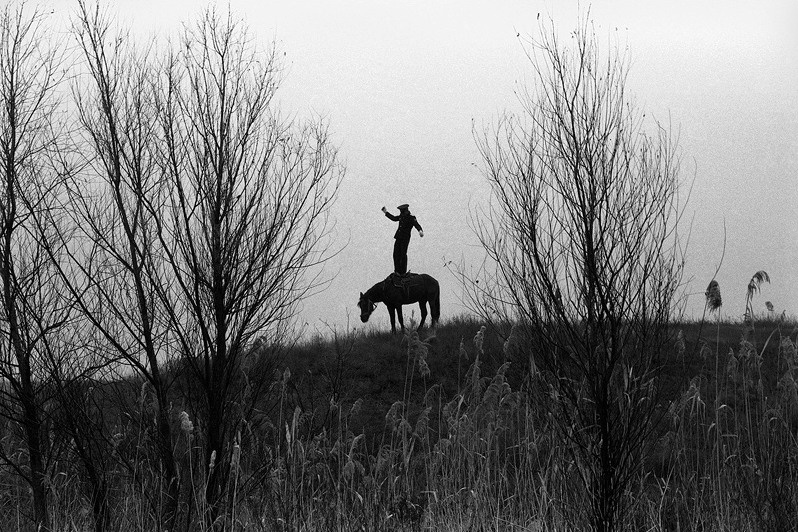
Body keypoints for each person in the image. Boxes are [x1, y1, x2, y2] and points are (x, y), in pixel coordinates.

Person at [381, 203, 423, 275]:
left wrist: (420, 230)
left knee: (403, 254)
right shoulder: (401, 216)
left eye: (401, 211)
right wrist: (386, 212)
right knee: (396, 254)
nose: (400, 213)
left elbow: (416, 225)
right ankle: (397, 271)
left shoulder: (411, 217)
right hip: (398, 237)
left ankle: (403, 272)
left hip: (405, 238)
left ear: (405, 211)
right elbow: (394, 218)